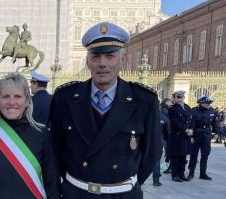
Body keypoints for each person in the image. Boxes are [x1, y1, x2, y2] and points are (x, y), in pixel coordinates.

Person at [49, 21, 160, 198]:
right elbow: (54, 151)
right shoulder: (65, 98)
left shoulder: (144, 100)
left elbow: (152, 152)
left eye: (110, 56)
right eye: (95, 56)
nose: (102, 63)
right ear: (87, 62)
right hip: (77, 194)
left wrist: (123, 183)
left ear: (122, 60)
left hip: (121, 194)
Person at [0, 72, 60, 199]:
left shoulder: (42, 135)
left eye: (17, 96)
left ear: (27, 101)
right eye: (5, 96)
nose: (11, 102)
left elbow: (52, 182)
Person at [187, 96, 223, 180]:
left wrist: (216, 133)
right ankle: (191, 173)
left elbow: (215, 123)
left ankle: (203, 174)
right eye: (206, 103)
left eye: (209, 103)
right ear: (200, 103)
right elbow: (191, 124)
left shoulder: (212, 111)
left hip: (206, 134)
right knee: (193, 155)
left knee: (205, 154)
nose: (208, 104)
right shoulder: (194, 111)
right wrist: (191, 135)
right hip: (196, 134)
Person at [168, 90, 193, 182]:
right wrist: (186, 130)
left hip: (186, 136)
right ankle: (175, 175)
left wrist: (191, 129)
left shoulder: (187, 107)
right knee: (176, 156)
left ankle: (182, 174)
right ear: (175, 98)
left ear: (184, 98)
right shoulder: (172, 109)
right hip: (177, 136)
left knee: (183, 156)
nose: (179, 99)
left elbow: (191, 119)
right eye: (177, 97)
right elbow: (175, 122)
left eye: (180, 97)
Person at [152, 101, 170, 186]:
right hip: (159, 140)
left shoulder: (147, 115)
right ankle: (156, 180)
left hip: (147, 140)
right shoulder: (163, 117)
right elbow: (167, 131)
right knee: (156, 160)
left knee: (140, 159)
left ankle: (139, 180)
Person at [159, 98, 173, 174]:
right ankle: (167, 166)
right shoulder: (165, 109)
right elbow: (167, 122)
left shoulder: (164, 108)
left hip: (166, 133)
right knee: (168, 152)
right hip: (166, 133)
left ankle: (167, 166)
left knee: (167, 152)